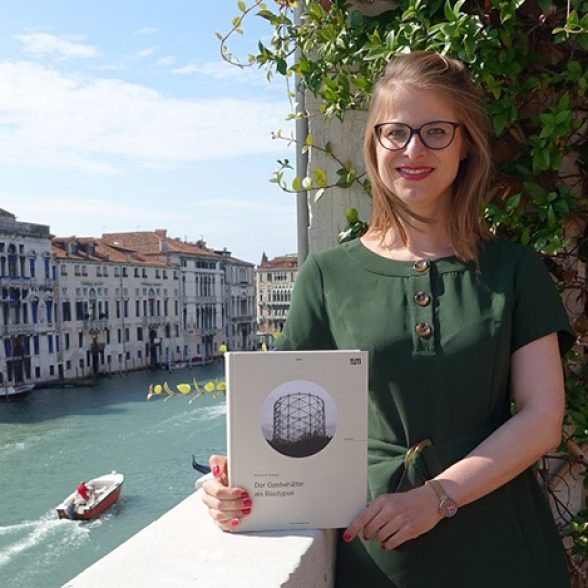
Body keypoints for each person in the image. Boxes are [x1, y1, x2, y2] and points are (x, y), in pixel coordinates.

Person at [202, 51, 575, 587]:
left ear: (465, 143)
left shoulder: (513, 270)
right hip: (380, 554)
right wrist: (229, 485)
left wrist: (435, 497)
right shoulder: (326, 275)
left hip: (504, 546)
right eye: (394, 132)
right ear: (374, 144)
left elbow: (541, 419)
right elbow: (280, 421)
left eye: (436, 132)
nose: (413, 149)